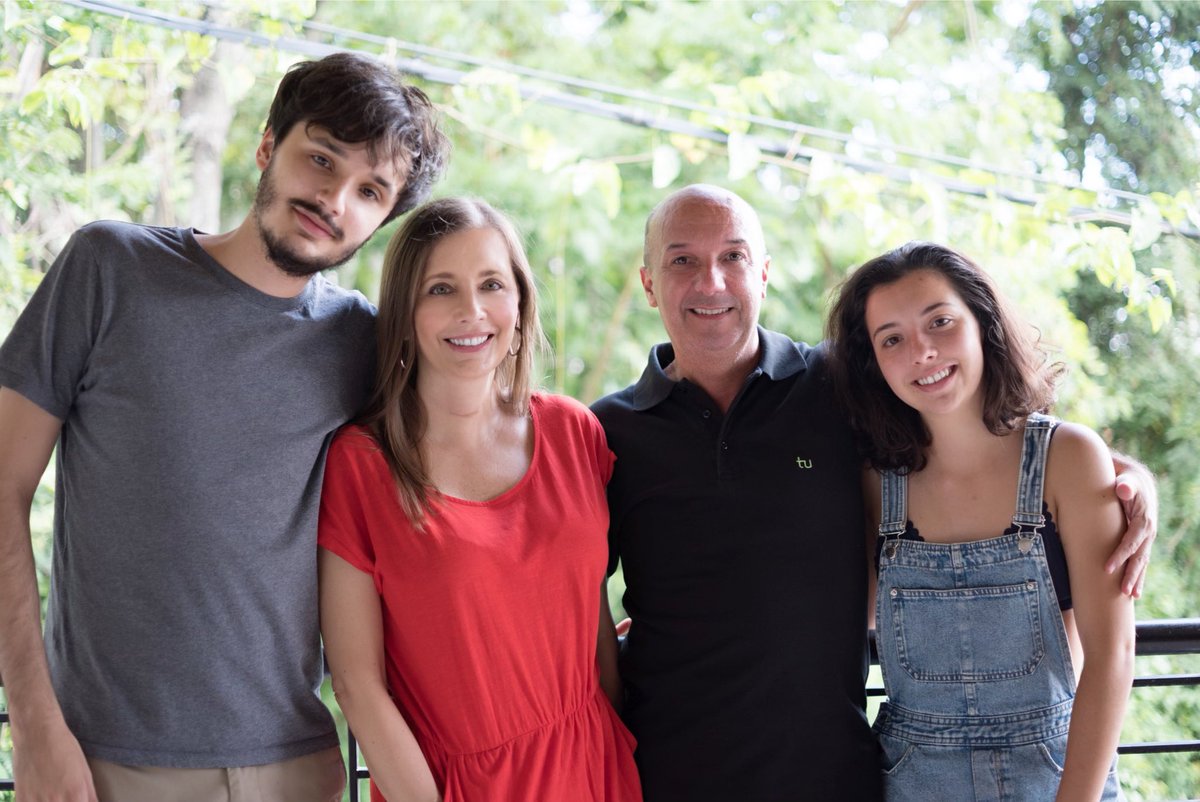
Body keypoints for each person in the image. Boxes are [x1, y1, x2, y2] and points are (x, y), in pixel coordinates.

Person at [591, 184, 1155, 802]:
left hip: (839, 773)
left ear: (764, 273)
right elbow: (557, 564)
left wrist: (1124, 478)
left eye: (734, 256)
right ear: (648, 284)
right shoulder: (606, 431)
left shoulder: (832, 389)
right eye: (682, 261)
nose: (713, 282)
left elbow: (979, 423)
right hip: (672, 770)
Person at [0, 52, 449, 802]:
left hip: (298, 769)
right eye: (321, 158)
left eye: (370, 190)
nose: (334, 197)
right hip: (106, 762)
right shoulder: (111, 269)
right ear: (268, 145)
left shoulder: (361, 343)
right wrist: (34, 723)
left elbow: (440, 514)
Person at [317, 197, 642, 802]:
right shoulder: (361, 465)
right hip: (451, 788)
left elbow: (591, 624)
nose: (471, 311)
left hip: (596, 770)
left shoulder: (575, 433)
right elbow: (358, 685)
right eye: (441, 289)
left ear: (519, 303)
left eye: (491, 283)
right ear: (406, 313)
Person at [826, 242, 1133, 801]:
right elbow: (830, 619)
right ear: (874, 362)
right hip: (911, 780)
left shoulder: (1067, 459)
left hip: (1058, 775)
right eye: (891, 338)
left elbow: (1112, 655)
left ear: (982, 322)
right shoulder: (874, 483)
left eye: (940, 322)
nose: (921, 351)